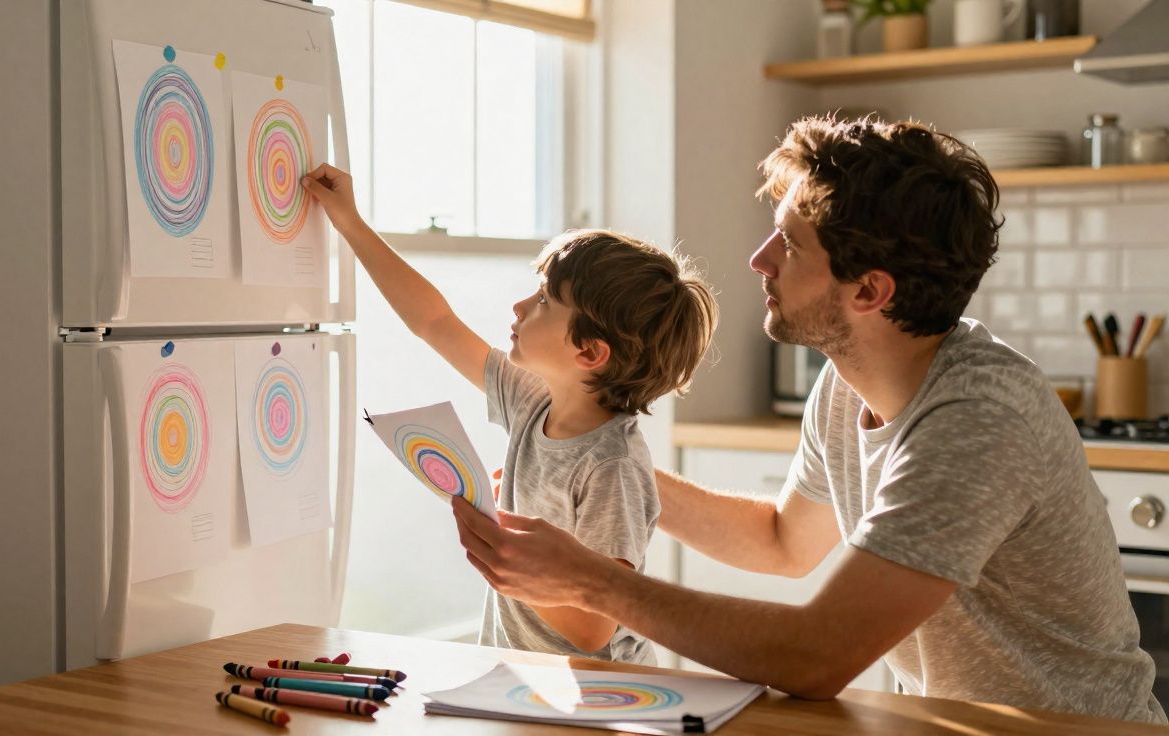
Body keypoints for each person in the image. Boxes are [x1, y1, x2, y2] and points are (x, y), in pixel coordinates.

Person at [450, 116, 1167, 723]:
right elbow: (783, 541)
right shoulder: (846, 382)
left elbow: (816, 656)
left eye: (790, 245)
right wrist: (591, 473)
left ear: (869, 290)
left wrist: (592, 582)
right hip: (954, 724)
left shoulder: (979, 420)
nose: (759, 260)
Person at [300, 164, 718, 664]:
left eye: (543, 300)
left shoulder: (613, 467)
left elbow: (593, 629)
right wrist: (350, 222)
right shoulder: (531, 400)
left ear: (590, 353)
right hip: (525, 676)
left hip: (601, 695)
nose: (519, 307)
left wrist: (502, 552)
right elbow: (433, 321)